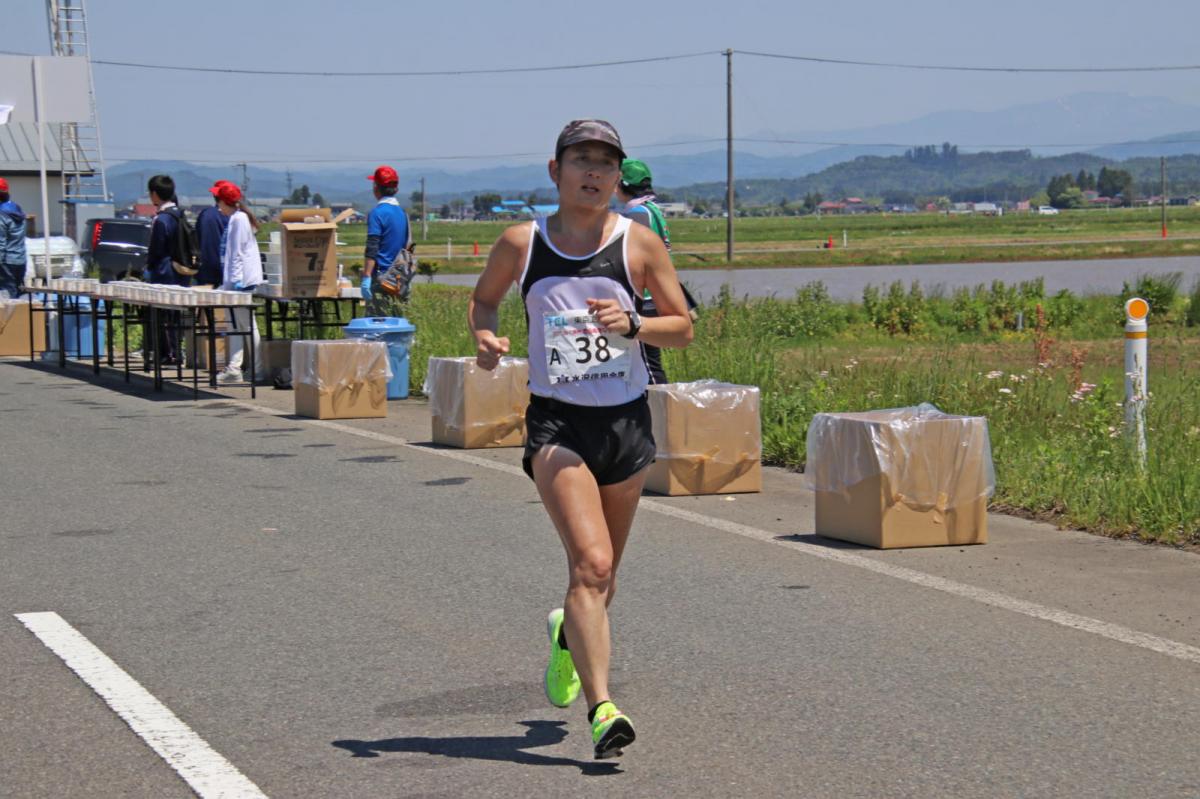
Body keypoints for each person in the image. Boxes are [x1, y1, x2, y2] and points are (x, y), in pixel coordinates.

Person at [469, 119, 693, 759]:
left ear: (619, 176)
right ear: (555, 170)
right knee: (591, 564)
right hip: (557, 423)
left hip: (624, 423)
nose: (593, 173)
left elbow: (682, 327)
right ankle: (602, 710)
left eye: (605, 163)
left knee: (603, 579)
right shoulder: (522, 243)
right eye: (581, 161)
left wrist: (637, 323)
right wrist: (485, 337)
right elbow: (483, 304)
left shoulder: (640, 244)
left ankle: (567, 633)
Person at [616, 159, 699, 384]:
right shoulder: (651, 208)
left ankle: (658, 413)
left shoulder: (637, 213)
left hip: (646, 295)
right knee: (647, 361)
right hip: (656, 290)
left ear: (621, 184)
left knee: (646, 363)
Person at [213, 181, 262, 384]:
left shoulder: (239, 219)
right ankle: (237, 367)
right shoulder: (238, 218)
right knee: (236, 325)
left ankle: (255, 368)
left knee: (246, 324)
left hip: (241, 281)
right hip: (238, 280)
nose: (218, 207)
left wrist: (234, 282)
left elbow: (237, 254)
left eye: (219, 202)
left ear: (226, 202)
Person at [143, 174, 190, 364]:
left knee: (164, 316)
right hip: (180, 271)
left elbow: (156, 249)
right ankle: (176, 352)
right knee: (175, 316)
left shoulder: (161, 219)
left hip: (164, 272)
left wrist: (149, 267)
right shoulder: (179, 214)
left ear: (155, 194)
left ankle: (170, 354)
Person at [360, 165, 413, 316]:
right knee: (398, 321)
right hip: (400, 278)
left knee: (376, 325)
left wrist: (366, 276)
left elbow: (372, 247)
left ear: (376, 187)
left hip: (382, 278)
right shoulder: (402, 213)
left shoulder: (377, 213)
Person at [194, 180, 232, 287]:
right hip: (228, 272)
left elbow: (197, 240)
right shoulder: (235, 216)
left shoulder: (206, 214)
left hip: (205, 271)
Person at [0, 177, 27, 299]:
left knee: (7, 298)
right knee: (15, 295)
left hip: (6, 262)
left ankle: (13, 318)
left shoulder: (2, 214)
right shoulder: (17, 210)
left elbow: (1, 242)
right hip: (20, 260)